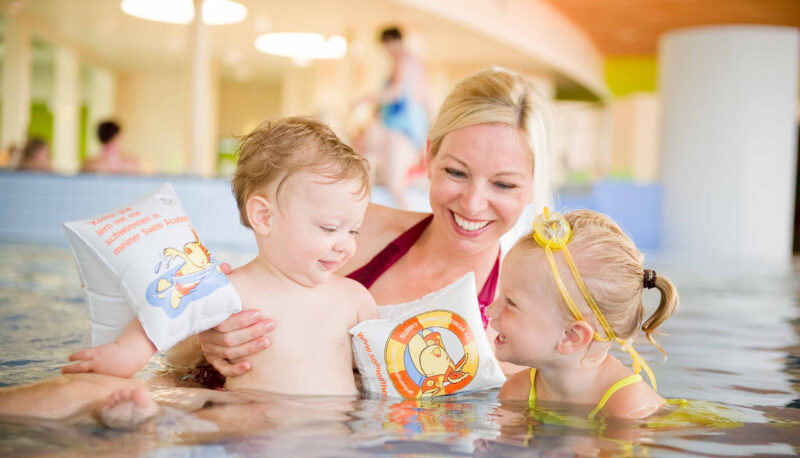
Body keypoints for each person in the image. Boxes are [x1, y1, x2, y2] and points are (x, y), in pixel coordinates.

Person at [0, 116, 377, 426]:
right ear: (263, 216)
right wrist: (123, 353)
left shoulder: (355, 298)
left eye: (353, 230)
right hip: (247, 422)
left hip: (336, 424)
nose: (344, 243)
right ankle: (136, 421)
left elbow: (382, 373)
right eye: (329, 228)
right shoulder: (232, 288)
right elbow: (166, 306)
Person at [194, 67, 553, 378]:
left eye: (504, 184)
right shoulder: (347, 232)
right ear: (428, 157)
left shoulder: (526, 313)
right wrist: (209, 339)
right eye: (456, 172)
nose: (473, 203)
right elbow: (196, 340)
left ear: (532, 187)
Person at [490, 208, 678, 419]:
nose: (490, 310)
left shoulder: (629, 408)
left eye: (511, 302)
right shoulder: (516, 392)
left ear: (571, 336)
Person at [368, 26, 430, 209]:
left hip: (402, 128)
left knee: (394, 184)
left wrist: (368, 99)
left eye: (387, 45)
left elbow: (396, 92)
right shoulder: (415, 62)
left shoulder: (403, 60)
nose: (387, 51)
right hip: (403, 128)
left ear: (392, 42)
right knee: (384, 177)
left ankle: (410, 224)